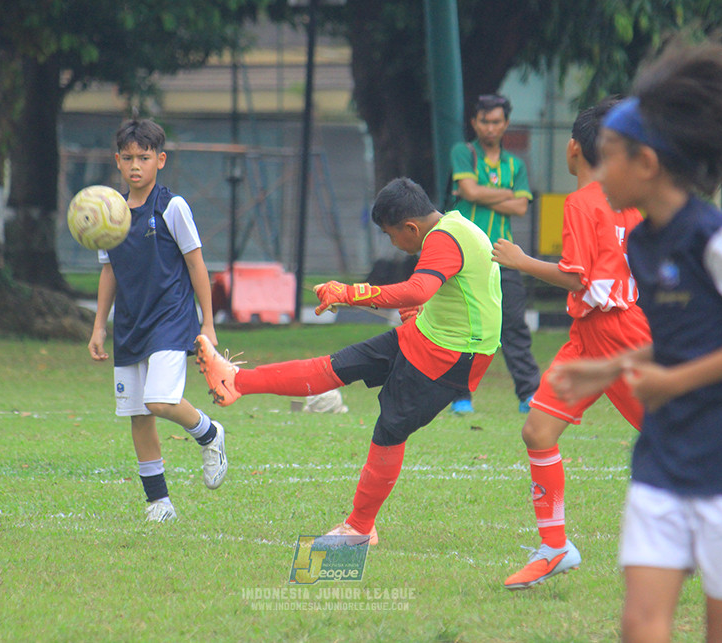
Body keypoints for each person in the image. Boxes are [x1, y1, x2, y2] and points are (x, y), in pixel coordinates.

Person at [550, 39, 722, 643]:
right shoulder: (645, 243)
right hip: (668, 457)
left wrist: (675, 381)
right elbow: (680, 337)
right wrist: (609, 366)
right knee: (640, 626)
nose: (597, 172)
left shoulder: (720, 240)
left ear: (647, 164)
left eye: (610, 157)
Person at [195, 177, 501, 543]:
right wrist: (421, 309)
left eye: (391, 236)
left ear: (410, 227)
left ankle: (359, 528)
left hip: (453, 354)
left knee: (390, 429)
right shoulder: (455, 226)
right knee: (337, 365)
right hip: (429, 335)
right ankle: (235, 381)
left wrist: (349, 293)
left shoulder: (442, 238)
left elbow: (420, 288)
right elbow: (462, 291)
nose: (393, 244)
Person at [491, 97, 652, 589]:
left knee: (676, 438)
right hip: (593, 333)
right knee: (538, 431)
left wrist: (519, 260)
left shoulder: (582, 202)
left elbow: (579, 279)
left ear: (573, 149)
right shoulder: (631, 203)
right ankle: (555, 547)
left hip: (617, 334)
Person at [88, 119, 228, 523]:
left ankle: (209, 433)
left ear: (160, 160)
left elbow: (196, 263)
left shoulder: (173, 206)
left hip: (170, 318)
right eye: (128, 158)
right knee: (138, 414)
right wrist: (100, 325)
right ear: (117, 161)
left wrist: (208, 323)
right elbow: (109, 271)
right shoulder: (108, 213)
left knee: (159, 401)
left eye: (144, 158)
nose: (136, 166)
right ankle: (159, 504)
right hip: (131, 323)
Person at [449, 93, 541, 414]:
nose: (490, 127)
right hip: (466, 255)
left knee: (514, 324)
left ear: (506, 124)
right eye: (484, 121)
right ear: (475, 123)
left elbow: (520, 206)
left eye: (496, 121)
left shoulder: (515, 164)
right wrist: (505, 193)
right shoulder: (464, 152)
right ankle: (460, 396)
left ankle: (529, 395)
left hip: (503, 254)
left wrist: (479, 194)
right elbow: (469, 191)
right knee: (464, 327)